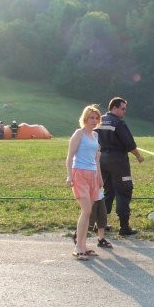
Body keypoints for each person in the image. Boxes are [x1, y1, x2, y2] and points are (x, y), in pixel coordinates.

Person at [97, 97, 144, 236]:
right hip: (118, 161)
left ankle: (100, 225)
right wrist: (138, 156)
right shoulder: (118, 123)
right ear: (114, 107)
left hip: (102, 159)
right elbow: (129, 144)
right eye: (122, 109)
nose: (124, 112)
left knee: (108, 191)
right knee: (124, 191)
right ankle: (124, 228)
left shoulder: (99, 121)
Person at [66, 104, 104, 260]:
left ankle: (84, 245)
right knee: (86, 210)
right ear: (85, 118)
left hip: (93, 174)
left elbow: (96, 159)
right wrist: (69, 176)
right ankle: (78, 247)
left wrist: (99, 176)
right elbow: (69, 157)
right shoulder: (78, 134)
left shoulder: (95, 136)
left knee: (89, 212)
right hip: (79, 173)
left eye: (96, 118)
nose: (94, 121)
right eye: (91, 118)